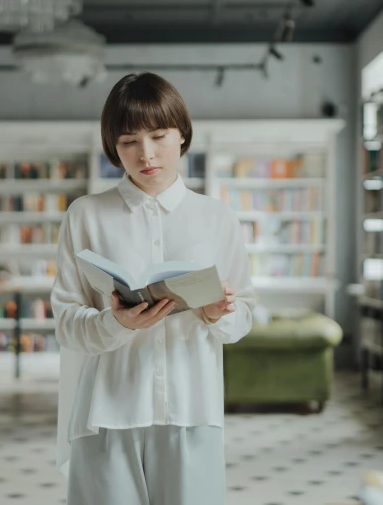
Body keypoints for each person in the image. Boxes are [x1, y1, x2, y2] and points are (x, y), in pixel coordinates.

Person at [51, 72, 256, 505]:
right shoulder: (85, 215)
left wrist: (220, 313)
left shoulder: (215, 217)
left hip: (192, 410)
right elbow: (67, 324)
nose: (145, 154)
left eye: (158, 135)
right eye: (128, 142)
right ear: (113, 148)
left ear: (182, 135)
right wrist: (116, 322)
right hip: (106, 412)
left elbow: (246, 315)